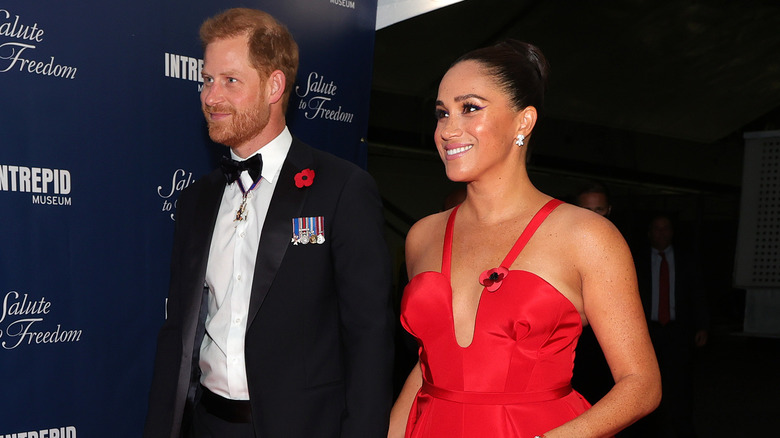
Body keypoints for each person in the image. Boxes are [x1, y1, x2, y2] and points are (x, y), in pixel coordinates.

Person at [388, 40, 660, 438]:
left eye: (470, 108)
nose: (448, 129)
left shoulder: (586, 236)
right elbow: (431, 363)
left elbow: (641, 384)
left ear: (523, 122)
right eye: (441, 113)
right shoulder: (422, 235)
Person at [143, 8, 394, 438]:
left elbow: (370, 338)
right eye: (207, 80)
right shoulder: (196, 200)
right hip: (209, 426)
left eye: (230, 81)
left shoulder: (342, 189)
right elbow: (177, 336)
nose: (210, 96)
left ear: (274, 85)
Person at [625, 213, 708, 437]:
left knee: (680, 385)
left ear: (672, 232)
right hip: (646, 332)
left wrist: (702, 326)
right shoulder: (635, 259)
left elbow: (698, 294)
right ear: (649, 233)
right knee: (645, 382)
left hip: (679, 331)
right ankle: (648, 428)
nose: (661, 233)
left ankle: (683, 429)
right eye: (657, 229)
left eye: (666, 229)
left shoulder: (687, 259)